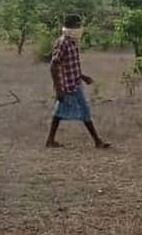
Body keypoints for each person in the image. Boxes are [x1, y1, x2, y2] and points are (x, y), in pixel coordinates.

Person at [45, 14, 111, 149]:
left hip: (74, 82)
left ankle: (50, 140)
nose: (80, 28)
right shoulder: (63, 43)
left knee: (59, 113)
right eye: (78, 25)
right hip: (68, 85)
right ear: (71, 27)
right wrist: (58, 89)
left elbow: (70, 65)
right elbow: (53, 65)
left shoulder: (72, 42)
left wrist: (82, 76)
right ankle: (97, 141)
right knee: (84, 111)